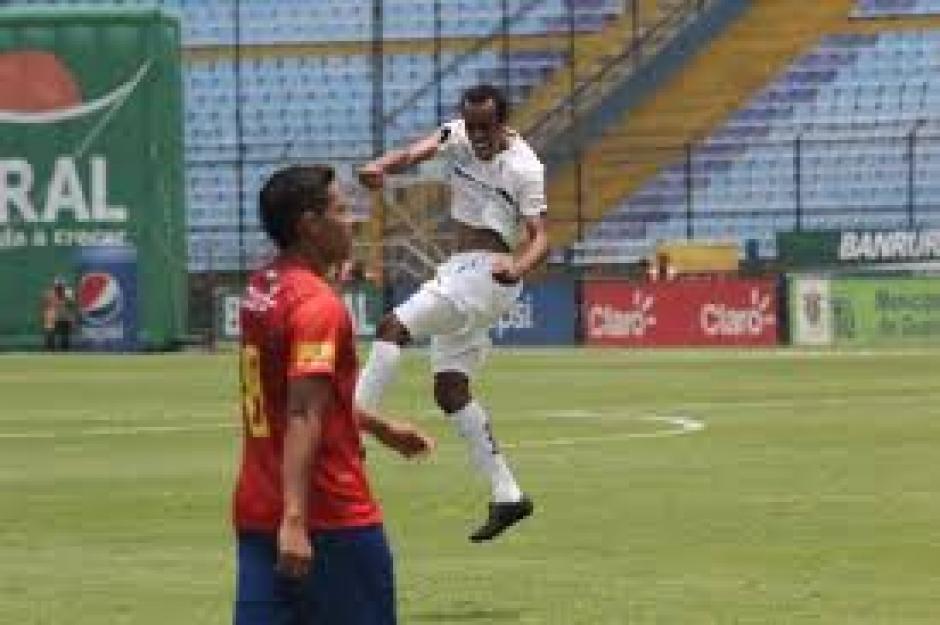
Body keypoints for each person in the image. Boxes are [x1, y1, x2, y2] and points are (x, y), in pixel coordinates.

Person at [233, 164, 435, 625]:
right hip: (327, 515)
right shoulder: (317, 306)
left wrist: (379, 427)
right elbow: (304, 412)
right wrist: (296, 519)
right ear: (310, 224)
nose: (354, 220)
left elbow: (290, 395)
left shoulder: (261, 288)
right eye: (342, 210)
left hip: (257, 507)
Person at [355, 84, 550, 542]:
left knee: (391, 327)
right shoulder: (457, 135)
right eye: (472, 125)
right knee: (450, 389)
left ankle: (353, 433)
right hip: (465, 273)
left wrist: (518, 265)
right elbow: (412, 153)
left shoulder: (525, 167)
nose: (477, 135)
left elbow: (542, 235)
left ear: (503, 123)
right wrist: (379, 167)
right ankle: (508, 495)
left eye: (486, 127)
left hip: (486, 275)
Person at [41, 277, 74, 351]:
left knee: (65, 337)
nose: (59, 287)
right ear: (55, 285)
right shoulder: (49, 294)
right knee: (50, 336)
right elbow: (44, 305)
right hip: (52, 318)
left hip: (64, 317)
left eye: (61, 286)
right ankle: (50, 352)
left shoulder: (68, 293)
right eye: (58, 285)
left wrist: (71, 318)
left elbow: (71, 305)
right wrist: (46, 317)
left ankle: (64, 353)